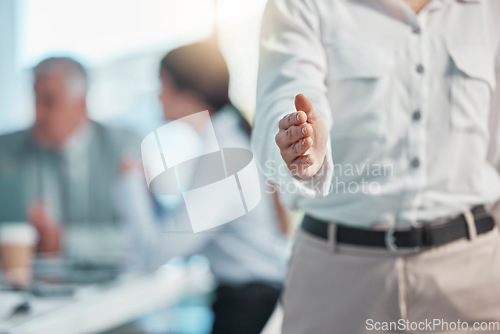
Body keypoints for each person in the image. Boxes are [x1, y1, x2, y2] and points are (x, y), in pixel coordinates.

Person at [253, 0, 500, 333]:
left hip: (473, 273)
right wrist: (301, 141)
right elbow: (282, 96)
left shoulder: (488, 10)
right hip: (336, 277)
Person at [127, 40, 288, 334]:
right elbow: (180, 233)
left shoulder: (224, 157)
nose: (158, 96)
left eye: (162, 85)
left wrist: (130, 182)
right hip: (248, 302)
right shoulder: (226, 143)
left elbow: (157, 251)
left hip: (249, 309)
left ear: (190, 94)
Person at [0, 57, 144, 267]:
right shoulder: (6, 149)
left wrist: (64, 242)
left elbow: (141, 237)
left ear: (80, 105)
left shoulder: (124, 148)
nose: (37, 114)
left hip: (111, 286)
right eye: (35, 100)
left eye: (49, 101)